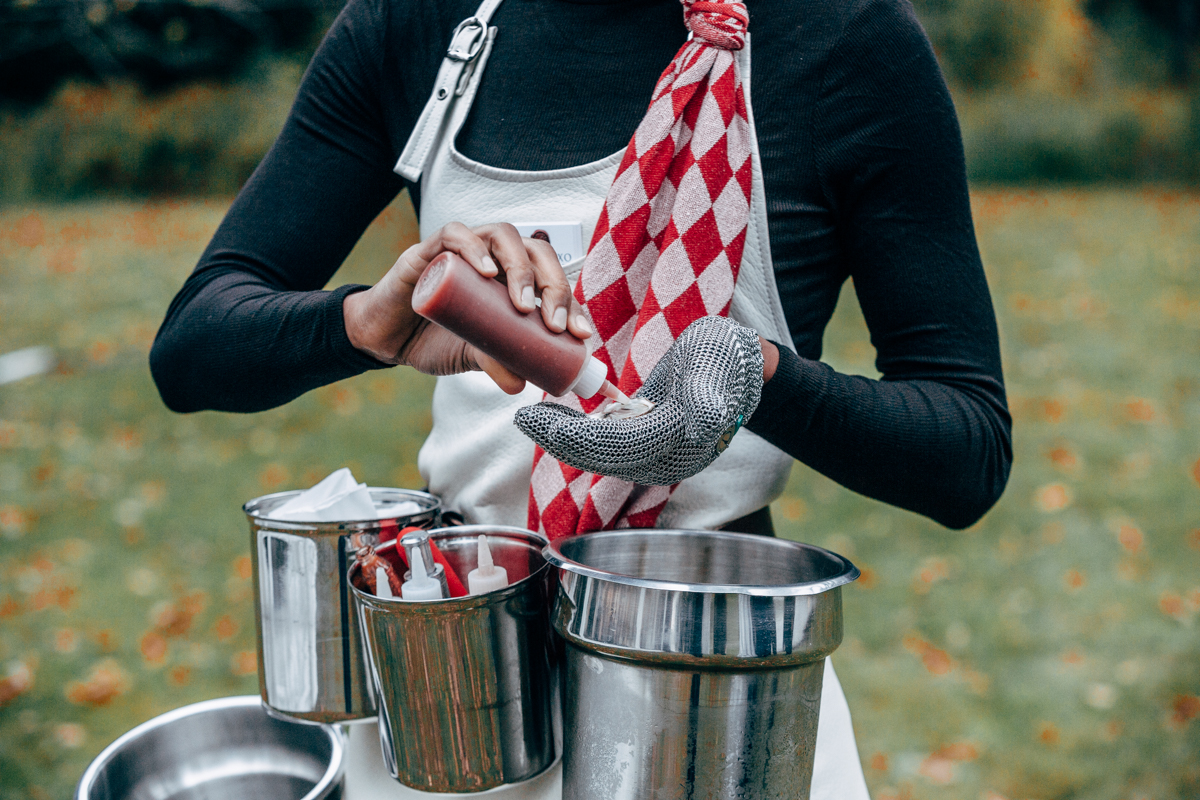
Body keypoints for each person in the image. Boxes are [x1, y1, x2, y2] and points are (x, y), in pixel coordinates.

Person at [150, 0, 1012, 795]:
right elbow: (194, 346)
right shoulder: (417, 22)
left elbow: (965, 450)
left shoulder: (840, 36)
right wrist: (365, 323)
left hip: (720, 700)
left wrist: (757, 377)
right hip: (455, 683)